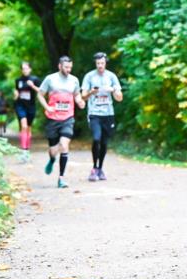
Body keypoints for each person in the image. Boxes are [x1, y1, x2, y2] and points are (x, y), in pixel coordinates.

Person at [36, 56, 86, 188]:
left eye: (70, 67)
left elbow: (76, 95)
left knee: (64, 145)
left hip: (68, 118)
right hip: (53, 118)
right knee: (53, 150)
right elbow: (40, 94)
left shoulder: (74, 80)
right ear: (59, 66)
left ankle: (61, 178)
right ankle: (52, 159)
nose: (68, 70)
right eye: (66, 67)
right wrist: (47, 107)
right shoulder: (50, 79)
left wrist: (80, 101)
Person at [81, 52, 123, 181]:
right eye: (98, 63)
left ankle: (100, 168)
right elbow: (83, 96)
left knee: (104, 142)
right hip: (94, 113)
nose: (100, 65)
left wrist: (114, 90)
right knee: (96, 139)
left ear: (105, 63)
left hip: (108, 114)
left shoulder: (111, 76)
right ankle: (94, 168)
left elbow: (119, 98)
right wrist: (91, 92)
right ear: (95, 63)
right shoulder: (89, 76)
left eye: (102, 63)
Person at [14, 62, 40, 162]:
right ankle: (23, 151)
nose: (25, 70)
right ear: (21, 70)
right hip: (20, 106)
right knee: (24, 126)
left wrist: (32, 86)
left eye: (26, 68)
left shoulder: (35, 79)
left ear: (30, 69)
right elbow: (16, 92)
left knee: (28, 128)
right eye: (23, 69)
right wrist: (15, 95)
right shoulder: (18, 80)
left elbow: (41, 91)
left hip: (31, 107)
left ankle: (27, 150)